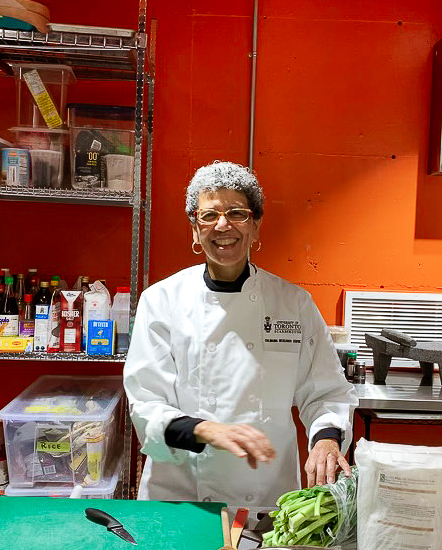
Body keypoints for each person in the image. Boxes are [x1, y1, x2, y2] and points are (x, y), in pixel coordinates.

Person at [123, 161, 358, 505]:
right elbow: (146, 405)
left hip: (265, 493)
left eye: (237, 213)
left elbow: (326, 392)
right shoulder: (161, 301)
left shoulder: (293, 304)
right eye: (208, 216)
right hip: (182, 494)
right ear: (194, 230)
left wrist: (326, 440)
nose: (222, 225)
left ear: (256, 226)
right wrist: (207, 429)